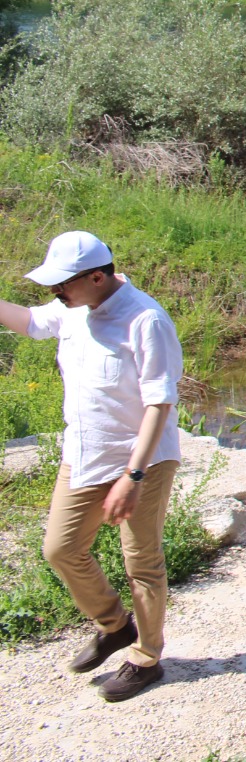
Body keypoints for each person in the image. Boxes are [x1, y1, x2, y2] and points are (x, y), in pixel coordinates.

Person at [0, 232, 183, 702]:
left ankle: (146, 657)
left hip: (141, 460)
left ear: (97, 277)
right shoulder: (72, 307)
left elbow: (158, 403)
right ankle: (114, 625)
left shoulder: (146, 319)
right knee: (61, 549)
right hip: (84, 454)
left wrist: (133, 476)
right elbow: (32, 322)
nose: (53, 293)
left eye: (61, 284)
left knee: (141, 560)